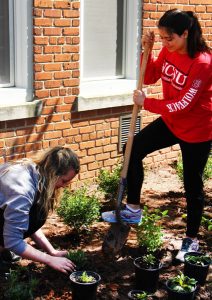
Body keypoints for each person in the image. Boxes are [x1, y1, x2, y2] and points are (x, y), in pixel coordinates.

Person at [102, 9, 211, 261]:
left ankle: (191, 240)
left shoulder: (203, 63)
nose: (165, 43)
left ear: (185, 34)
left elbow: (185, 103)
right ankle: (132, 209)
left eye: (168, 38)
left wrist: (147, 103)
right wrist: (148, 50)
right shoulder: (167, 50)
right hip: (172, 122)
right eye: (161, 38)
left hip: (197, 129)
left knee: (192, 184)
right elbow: (149, 76)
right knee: (133, 147)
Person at [0, 146, 80, 273]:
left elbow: (28, 223)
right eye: (64, 181)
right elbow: (13, 240)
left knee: (38, 213)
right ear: (53, 173)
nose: (64, 186)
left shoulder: (33, 171)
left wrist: (52, 252)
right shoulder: (23, 190)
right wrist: (49, 259)